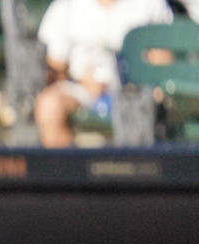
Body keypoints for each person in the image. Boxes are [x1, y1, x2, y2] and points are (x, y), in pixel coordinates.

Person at [34, 0, 172, 147]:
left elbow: (163, 56)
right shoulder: (66, 5)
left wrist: (143, 85)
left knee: (150, 104)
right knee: (49, 106)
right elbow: (55, 67)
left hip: (137, 91)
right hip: (83, 89)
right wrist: (81, 80)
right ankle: (66, 168)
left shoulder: (150, 3)